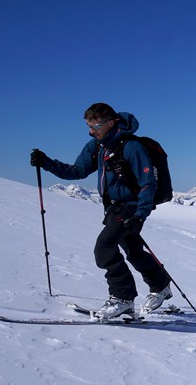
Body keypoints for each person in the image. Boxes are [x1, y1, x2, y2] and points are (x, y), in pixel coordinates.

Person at [30, 103, 173, 321]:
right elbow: (77, 171)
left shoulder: (132, 147)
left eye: (95, 125)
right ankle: (161, 286)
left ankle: (122, 298)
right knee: (133, 250)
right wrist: (47, 163)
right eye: (88, 126)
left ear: (111, 122)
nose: (91, 130)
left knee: (104, 247)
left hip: (130, 207)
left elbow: (147, 184)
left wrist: (140, 215)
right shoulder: (97, 146)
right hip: (113, 207)